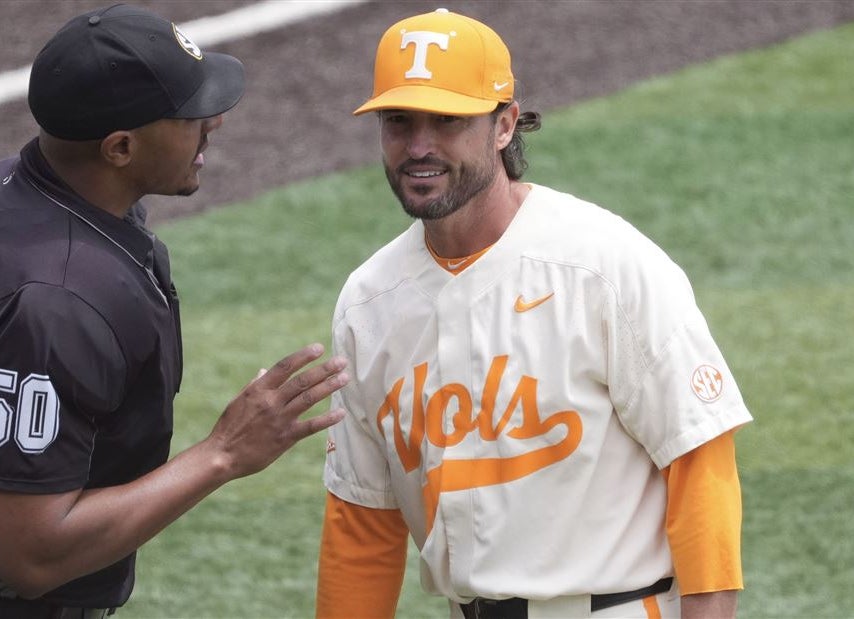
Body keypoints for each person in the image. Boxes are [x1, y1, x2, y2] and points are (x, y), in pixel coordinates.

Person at [0, 4, 349, 618]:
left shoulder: (10, 185)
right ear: (119, 147)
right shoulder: (51, 307)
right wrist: (223, 452)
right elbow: (29, 556)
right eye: (188, 114)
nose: (214, 122)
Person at [316, 8, 750, 619]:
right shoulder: (368, 304)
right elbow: (363, 523)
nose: (419, 147)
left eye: (447, 121)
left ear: (504, 125)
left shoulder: (603, 265)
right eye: (399, 122)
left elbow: (699, 464)